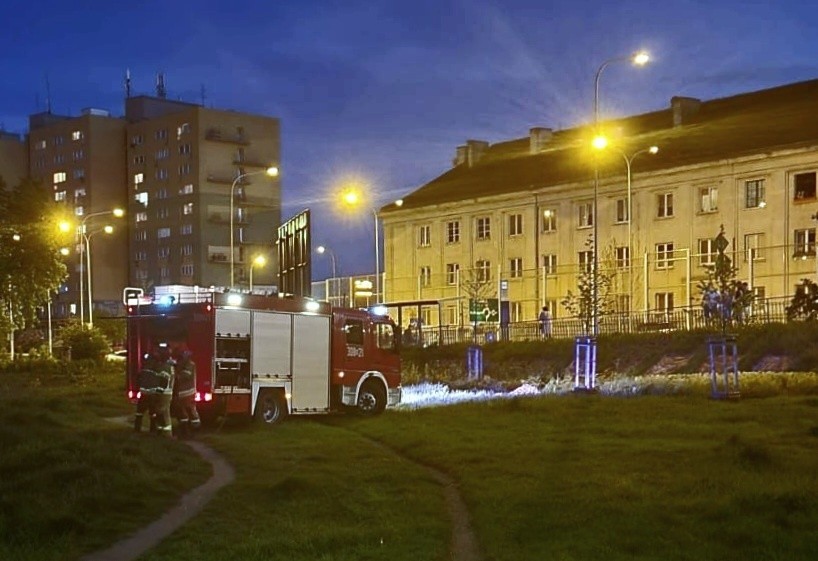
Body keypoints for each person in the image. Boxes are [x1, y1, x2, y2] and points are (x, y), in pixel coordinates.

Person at [172, 349, 201, 439]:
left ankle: (195, 431)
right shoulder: (179, 364)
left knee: (191, 412)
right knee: (182, 413)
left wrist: (175, 374)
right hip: (181, 394)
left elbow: (185, 376)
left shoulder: (190, 364)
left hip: (188, 392)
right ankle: (185, 432)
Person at [133, 350, 164, 433]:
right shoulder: (158, 367)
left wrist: (138, 389)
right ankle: (153, 429)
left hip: (143, 393)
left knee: (139, 413)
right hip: (152, 394)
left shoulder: (144, 367)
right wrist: (160, 392)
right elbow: (163, 380)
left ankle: (137, 429)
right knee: (153, 413)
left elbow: (138, 379)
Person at [153, 346, 176, 438]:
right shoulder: (169, 366)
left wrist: (158, 391)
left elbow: (163, 380)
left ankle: (167, 434)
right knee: (160, 412)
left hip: (164, 393)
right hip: (167, 392)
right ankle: (161, 431)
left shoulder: (164, 367)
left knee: (163, 413)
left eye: (158, 354)